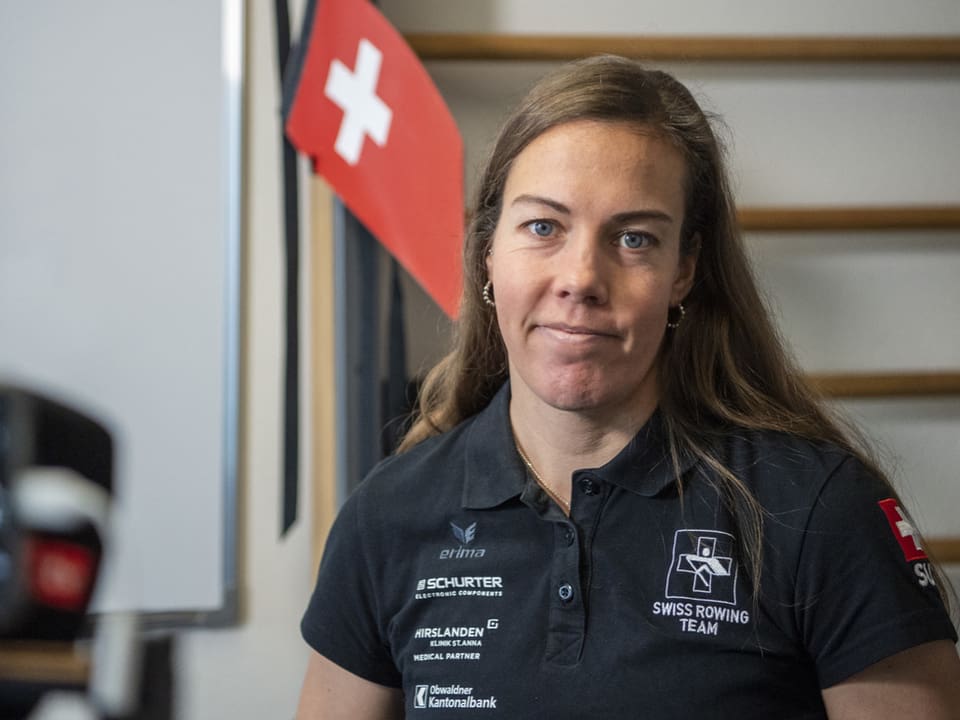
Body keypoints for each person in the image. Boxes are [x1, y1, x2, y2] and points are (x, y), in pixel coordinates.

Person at [296, 55, 960, 719]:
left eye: (635, 238)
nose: (581, 277)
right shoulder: (386, 518)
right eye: (543, 227)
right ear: (487, 253)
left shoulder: (818, 510)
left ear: (683, 272)